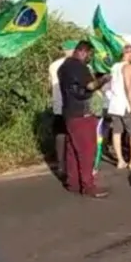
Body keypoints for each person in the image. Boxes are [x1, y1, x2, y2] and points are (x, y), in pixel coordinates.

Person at [57, 40, 111, 198]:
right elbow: (90, 86)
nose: (90, 58)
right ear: (83, 51)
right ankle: (88, 185)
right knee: (87, 151)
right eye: (90, 54)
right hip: (82, 112)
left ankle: (73, 183)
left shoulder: (63, 67)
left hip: (69, 111)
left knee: (73, 150)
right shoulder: (79, 67)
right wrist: (104, 79)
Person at [107, 45, 131, 171]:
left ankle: (120, 160)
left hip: (115, 104)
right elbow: (128, 87)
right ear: (129, 54)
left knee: (117, 132)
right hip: (125, 104)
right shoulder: (128, 67)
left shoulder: (114, 67)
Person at [48, 40, 77, 176]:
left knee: (60, 133)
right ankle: (72, 163)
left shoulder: (53, 65)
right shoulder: (76, 65)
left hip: (58, 103)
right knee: (73, 134)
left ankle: (61, 164)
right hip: (73, 104)